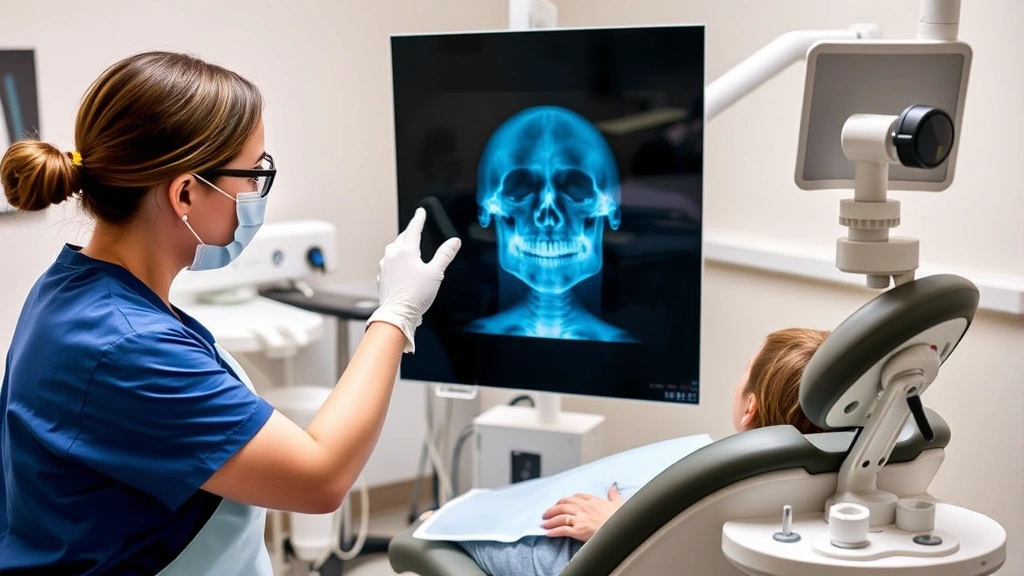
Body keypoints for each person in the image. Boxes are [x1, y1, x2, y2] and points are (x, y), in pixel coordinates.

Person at [0, 51, 460, 575]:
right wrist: (397, 314)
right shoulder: (126, 345)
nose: (256, 193)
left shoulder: (72, 288)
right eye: (252, 175)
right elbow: (321, 477)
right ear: (186, 193)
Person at [451, 327, 830, 576]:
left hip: (619, 555)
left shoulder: (725, 484)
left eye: (746, 369)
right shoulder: (827, 479)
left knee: (495, 534)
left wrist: (616, 526)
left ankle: (444, 524)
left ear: (750, 407)